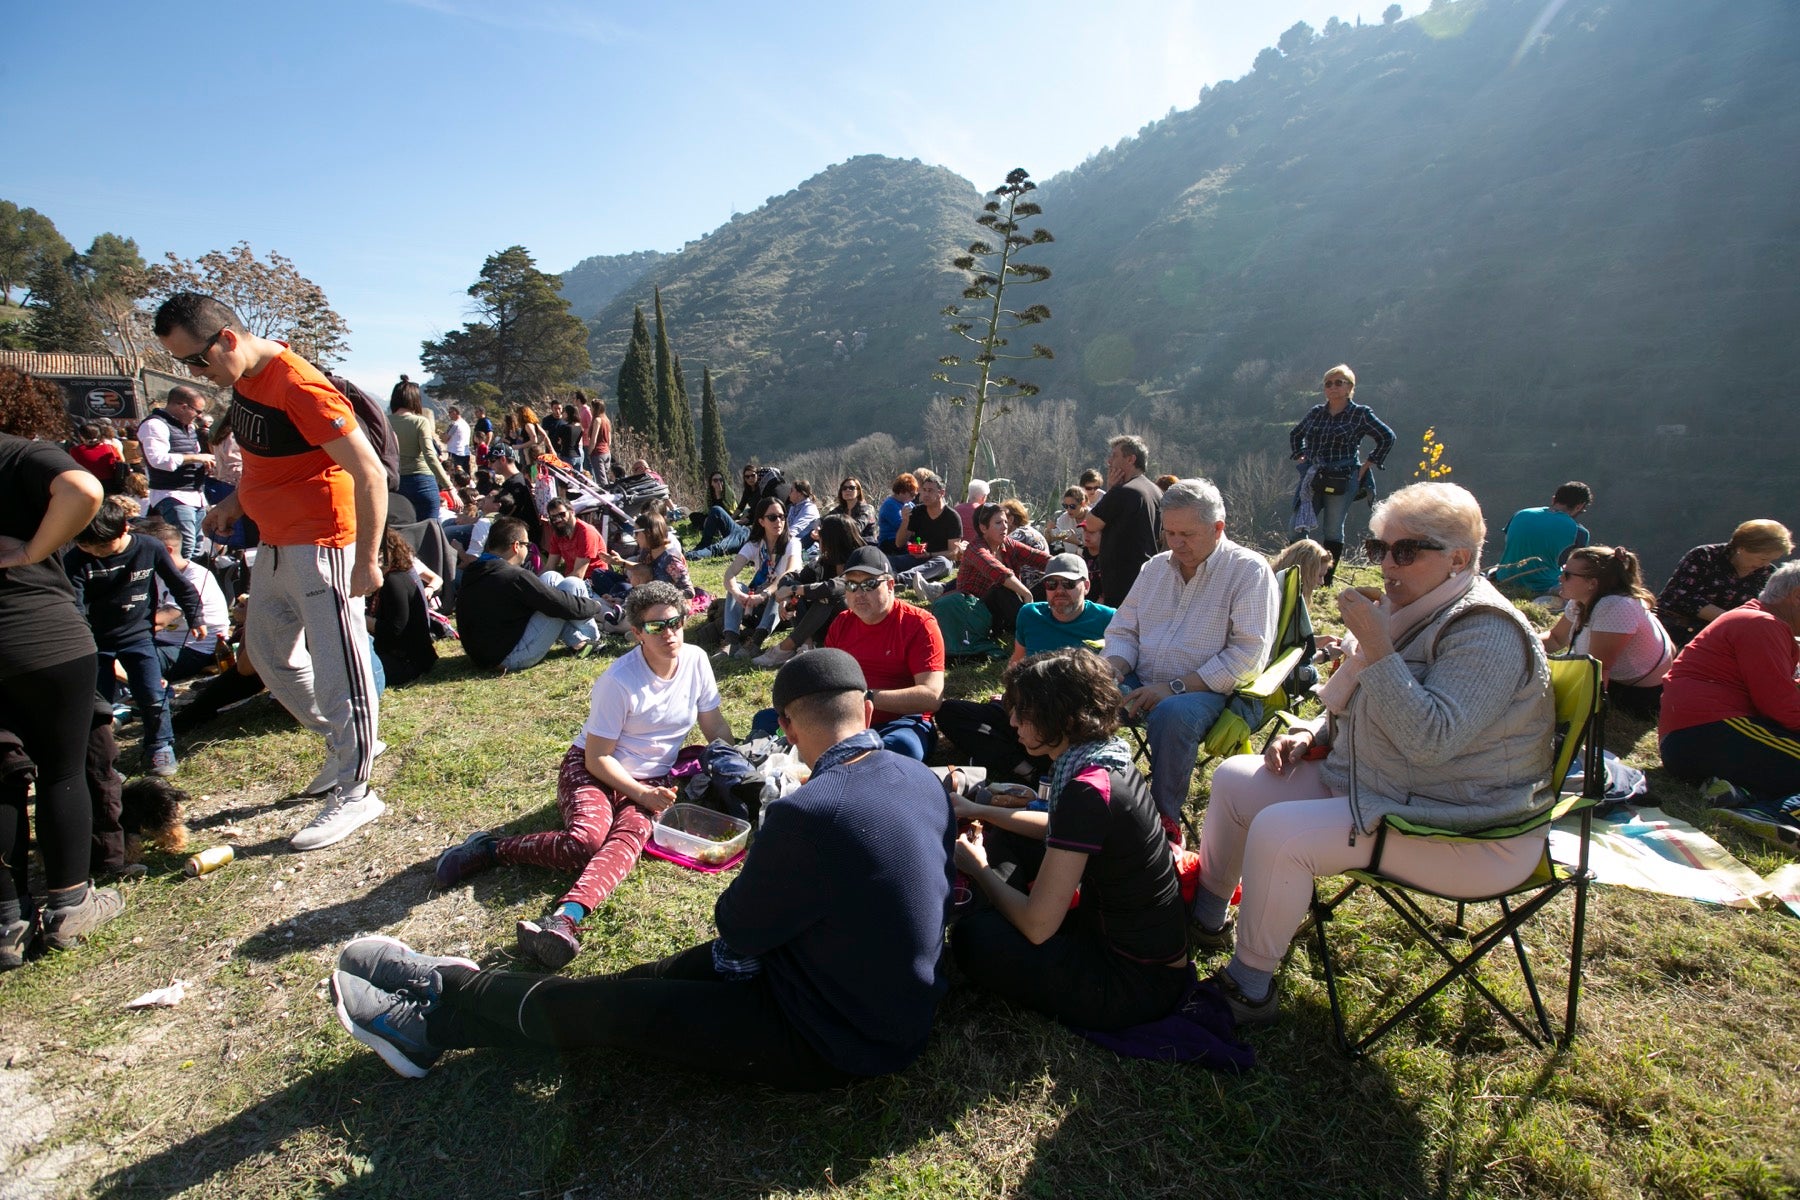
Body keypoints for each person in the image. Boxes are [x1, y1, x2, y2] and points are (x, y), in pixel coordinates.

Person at [335, 649, 955, 1089]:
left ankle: (436, 1011)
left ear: (788, 727)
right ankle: (455, 993)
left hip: (831, 1036)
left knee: (621, 1014)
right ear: (869, 713)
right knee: (653, 977)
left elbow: (737, 925)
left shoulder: (808, 813)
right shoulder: (921, 780)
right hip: (875, 999)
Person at [1190, 481, 1555, 1026]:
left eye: (1405, 551)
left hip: (1459, 825)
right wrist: (1315, 733)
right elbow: (1368, 702)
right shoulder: (1420, 609)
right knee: (1238, 779)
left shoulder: (1486, 630)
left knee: (1281, 834)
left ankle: (1250, 987)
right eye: (1377, 547)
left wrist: (1377, 646)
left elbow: (1430, 741)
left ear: (1458, 559)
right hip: (1384, 784)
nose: (1386, 563)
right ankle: (1204, 918)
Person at [156, 292, 389, 852]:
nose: (194, 374)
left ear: (227, 339)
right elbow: (270, 460)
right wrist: (236, 501)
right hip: (276, 544)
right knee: (265, 653)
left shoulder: (298, 385)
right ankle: (347, 745)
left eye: (196, 361)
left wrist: (367, 561)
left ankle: (357, 792)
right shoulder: (245, 382)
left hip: (326, 542)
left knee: (341, 665)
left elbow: (370, 472)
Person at [437, 582, 731, 967]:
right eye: (656, 626)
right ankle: (490, 849)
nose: (670, 632)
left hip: (653, 780)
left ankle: (564, 920)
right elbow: (597, 758)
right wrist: (640, 795)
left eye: (675, 622)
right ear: (637, 632)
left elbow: (714, 725)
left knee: (628, 841)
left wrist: (740, 758)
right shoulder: (619, 680)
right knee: (587, 841)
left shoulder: (695, 661)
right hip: (593, 770)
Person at [949, 648, 1189, 1029]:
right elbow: (1057, 829)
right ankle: (996, 896)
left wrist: (978, 870)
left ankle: (989, 900)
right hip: (1141, 952)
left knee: (973, 938)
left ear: (1067, 718)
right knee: (1007, 837)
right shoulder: (1108, 759)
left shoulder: (1086, 791)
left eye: (1024, 712)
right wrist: (981, 811)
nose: (1011, 722)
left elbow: (1038, 926)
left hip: (1132, 982)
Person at [0, 391, 117, 965]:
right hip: (38, 634)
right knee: (61, 770)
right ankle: (70, 905)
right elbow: (84, 488)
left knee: (0, 779)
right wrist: (30, 553)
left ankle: (7, 923)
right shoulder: (17, 454)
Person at [1103, 478, 1278, 833]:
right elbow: (1124, 631)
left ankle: (1162, 819)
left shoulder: (1248, 571)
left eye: (1188, 535)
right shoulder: (1154, 568)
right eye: (1170, 534)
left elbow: (1247, 656)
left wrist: (1175, 687)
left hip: (1207, 691)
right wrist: (1114, 668)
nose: (1177, 544)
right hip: (1142, 676)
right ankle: (1094, 796)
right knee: (1087, 691)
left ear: (1218, 529)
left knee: (1172, 714)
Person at [937, 553, 1117, 786]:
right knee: (949, 711)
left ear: (1087, 585)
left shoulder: (1109, 620)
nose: (1059, 590)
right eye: (1051, 584)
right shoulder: (1030, 614)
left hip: (1066, 719)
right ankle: (1025, 769)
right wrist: (1010, 695)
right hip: (1026, 708)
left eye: (1069, 584)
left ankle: (1017, 759)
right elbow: (1017, 663)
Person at [65, 497, 204, 779]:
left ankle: (160, 746)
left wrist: (195, 616)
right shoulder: (77, 560)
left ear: (125, 530)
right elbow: (74, 606)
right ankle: (102, 761)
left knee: (152, 694)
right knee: (97, 704)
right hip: (94, 640)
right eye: (85, 546)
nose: (96, 553)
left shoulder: (148, 548)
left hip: (138, 635)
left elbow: (181, 585)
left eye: (103, 546)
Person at [1658, 563, 1800, 800]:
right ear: (1797, 596)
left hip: (1693, 740)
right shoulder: (1761, 624)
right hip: (1710, 731)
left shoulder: (1756, 620)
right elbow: (1780, 705)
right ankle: (1769, 813)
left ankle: (1739, 795)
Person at [819, 547, 946, 760]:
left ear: (890, 585)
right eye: (851, 585)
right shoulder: (842, 622)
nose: (859, 594)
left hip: (901, 722)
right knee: (767, 721)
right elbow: (826, 679)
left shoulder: (919, 624)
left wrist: (866, 698)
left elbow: (932, 696)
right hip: (846, 720)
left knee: (901, 748)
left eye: (869, 584)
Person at [1287, 365, 1397, 586]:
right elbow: (1296, 433)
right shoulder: (1316, 412)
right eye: (1328, 383)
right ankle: (1305, 570)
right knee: (1296, 526)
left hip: (1344, 477)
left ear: (1350, 387)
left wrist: (1368, 464)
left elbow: (1387, 437)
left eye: (1339, 382)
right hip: (1314, 476)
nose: (1333, 387)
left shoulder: (1360, 414)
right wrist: (1301, 456)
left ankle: (1324, 579)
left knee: (1333, 529)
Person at [1540, 546, 1674, 719]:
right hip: (1617, 678)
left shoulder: (1615, 607)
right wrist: (1524, 642)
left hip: (1641, 695)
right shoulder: (1583, 599)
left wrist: (1580, 718)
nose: (1560, 578)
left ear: (1592, 583)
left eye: (1567, 575)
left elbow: (1598, 670)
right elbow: (1556, 638)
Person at [455, 518, 601, 671]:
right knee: (572, 585)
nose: (528, 550)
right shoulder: (513, 575)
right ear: (516, 546)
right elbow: (559, 605)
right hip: (509, 657)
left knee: (551, 577)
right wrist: (597, 606)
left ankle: (579, 641)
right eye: (527, 545)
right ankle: (591, 637)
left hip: (482, 655)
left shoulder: (476, 570)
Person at [1658, 520, 1794, 648]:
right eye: (1763, 558)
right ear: (1742, 547)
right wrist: (1734, 620)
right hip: (1672, 632)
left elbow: (1769, 611)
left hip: (1724, 639)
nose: (1765, 564)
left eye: (1771, 559)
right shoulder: (1705, 556)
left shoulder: (1767, 573)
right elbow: (1681, 596)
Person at [754, 513, 865, 667]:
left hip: (850, 624)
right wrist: (787, 597)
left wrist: (793, 589)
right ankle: (806, 645)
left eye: (821, 534)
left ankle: (787, 646)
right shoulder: (825, 561)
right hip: (820, 628)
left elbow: (835, 587)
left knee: (826, 596)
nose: (817, 537)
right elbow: (792, 577)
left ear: (832, 538)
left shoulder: (859, 560)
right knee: (801, 589)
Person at [144, 517, 231, 700]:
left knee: (129, 659)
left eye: (143, 551)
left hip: (194, 649)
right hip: (163, 642)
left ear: (166, 551)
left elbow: (161, 620)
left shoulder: (195, 577)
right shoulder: (156, 574)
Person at [717, 496, 804, 659]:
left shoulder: (792, 543)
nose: (778, 521)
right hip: (758, 603)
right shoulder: (755, 545)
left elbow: (790, 572)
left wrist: (764, 594)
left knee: (778, 591)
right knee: (738, 586)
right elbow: (730, 574)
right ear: (761, 521)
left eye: (781, 516)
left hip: (785, 607)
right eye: (772, 517)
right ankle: (731, 641)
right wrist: (738, 594)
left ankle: (755, 642)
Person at [954, 503, 1052, 642]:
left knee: (1051, 583)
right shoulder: (975, 549)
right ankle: (1034, 631)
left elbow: (1039, 558)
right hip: (976, 611)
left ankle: (1057, 621)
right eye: (998, 523)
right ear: (983, 528)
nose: (1005, 526)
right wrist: (1026, 594)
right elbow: (999, 572)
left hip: (1006, 610)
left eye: (1006, 521)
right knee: (999, 588)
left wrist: (1070, 564)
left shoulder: (1007, 543)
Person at [1085, 435, 1163, 607]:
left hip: (1122, 578)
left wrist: (1112, 490)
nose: (1109, 461)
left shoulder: (1125, 492)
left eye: (1114, 456)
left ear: (1130, 459)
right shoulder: (1155, 491)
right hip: (1148, 574)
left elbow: (1090, 524)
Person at [137, 385, 215, 558]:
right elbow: (158, 459)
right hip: (173, 494)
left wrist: (203, 464)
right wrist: (196, 458)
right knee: (185, 547)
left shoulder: (188, 428)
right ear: (183, 406)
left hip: (195, 493)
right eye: (198, 411)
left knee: (196, 547)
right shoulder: (154, 425)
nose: (199, 416)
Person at [1492, 482, 1593, 598]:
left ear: (1553, 499)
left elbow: (1510, 542)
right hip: (1544, 587)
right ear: (1579, 507)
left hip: (1504, 578)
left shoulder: (1521, 514)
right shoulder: (1579, 532)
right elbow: (1574, 566)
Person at [369, 529, 438, 688]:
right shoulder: (394, 578)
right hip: (405, 657)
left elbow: (395, 631)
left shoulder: (394, 581)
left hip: (408, 662)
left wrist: (360, 619)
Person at [389, 379, 452, 522]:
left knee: (400, 534)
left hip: (396, 484)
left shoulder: (385, 421)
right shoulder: (420, 421)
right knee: (428, 533)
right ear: (415, 399)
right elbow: (430, 455)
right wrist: (449, 486)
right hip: (422, 483)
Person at [891, 468, 962, 587]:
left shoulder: (952, 517)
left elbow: (953, 552)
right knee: (889, 560)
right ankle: (888, 577)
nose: (926, 494)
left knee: (942, 563)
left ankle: (899, 580)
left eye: (930, 491)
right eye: (924, 490)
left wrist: (929, 555)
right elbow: (899, 543)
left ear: (941, 493)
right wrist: (905, 521)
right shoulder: (917, 512)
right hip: (916, 558)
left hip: (939, 561)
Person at [540, 498, 603, 581]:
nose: (558, 520)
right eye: (553, 517)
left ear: (572, 512)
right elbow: (549, 567)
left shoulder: (586, 533)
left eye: (562, 514)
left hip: (593, 580)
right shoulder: (558, 534)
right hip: (571, 579)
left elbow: (578, 574)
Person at [68, 423, 126, 493]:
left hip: (88, 486)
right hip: (111, 486)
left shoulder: (75, 451)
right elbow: (121, 461)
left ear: (81, 436)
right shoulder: (109, 448)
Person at [824, 475, 878, 544]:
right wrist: (817, 527)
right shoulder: (840, 509)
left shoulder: (867, 509)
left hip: (865, 546)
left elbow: (857, 528)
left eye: (852, 488)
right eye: (844, 488)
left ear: (858, 492)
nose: (847, 490)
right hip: (846, 545)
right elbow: (824, 519)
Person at [876, 472, 918, 552]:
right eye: (912, 494)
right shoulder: (889, 505)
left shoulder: (909, 504)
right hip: (889, 541)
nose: (914, 497)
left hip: (906, 540)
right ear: (902, 491)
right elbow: (902, 526)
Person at [1048, 486, 1088, 551]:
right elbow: (1056, 534)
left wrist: (1077, 542)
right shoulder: (1063, 518)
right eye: (1065, 506)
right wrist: (1049, 532)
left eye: (1072, 506)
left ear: (1083, 504)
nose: (1068, 509)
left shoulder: (1093, 518)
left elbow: (1096, 549)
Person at [584, 396, 612, 482]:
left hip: (597, 453)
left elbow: (593, 440)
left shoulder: (597, 420)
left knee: (601, 480)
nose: (590, 409)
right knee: (607, 477)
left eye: (591, 407)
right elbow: (609, 440)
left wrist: (589, 452)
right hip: (606, 452)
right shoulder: (606, 420)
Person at [785, 479, 821, 546]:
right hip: (792, 543)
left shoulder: (810, 508)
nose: (789, 493)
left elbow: (796, 528)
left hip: (806, 548)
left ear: (800, 493)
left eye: (792, 491)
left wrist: (780, 540)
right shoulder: (793, 507)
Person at [955, 479, 990, 543]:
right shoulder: (984, 512)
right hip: (978, 548)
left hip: (958, 547)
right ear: (984, 497)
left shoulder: (956, 510)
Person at [443, 405, 471, 476]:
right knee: (465, 475)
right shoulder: (466, 424)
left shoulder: (455, 424)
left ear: (455, 412)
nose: (448, 414)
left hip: (455, 452)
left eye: (450, 412)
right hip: (465, 453)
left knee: (455, 475)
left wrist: (443, 435)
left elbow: (445, 439)